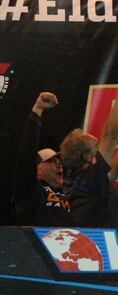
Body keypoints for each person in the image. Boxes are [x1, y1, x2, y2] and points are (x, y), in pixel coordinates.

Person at [60, 60, 118, 228]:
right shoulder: (87, 182)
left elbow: (117, 170)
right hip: (101, 249)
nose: (101, 148)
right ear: (87, 156)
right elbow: (110, 136)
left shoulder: (87, 183)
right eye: (96, 146)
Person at [14, 92, 72, 226]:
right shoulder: (31, 191)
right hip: (36, 245)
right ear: (38, 170)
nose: (60, 165)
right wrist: (37, 110)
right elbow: (26, 155)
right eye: (52, 161)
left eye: (60, 161)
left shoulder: (69, 194)